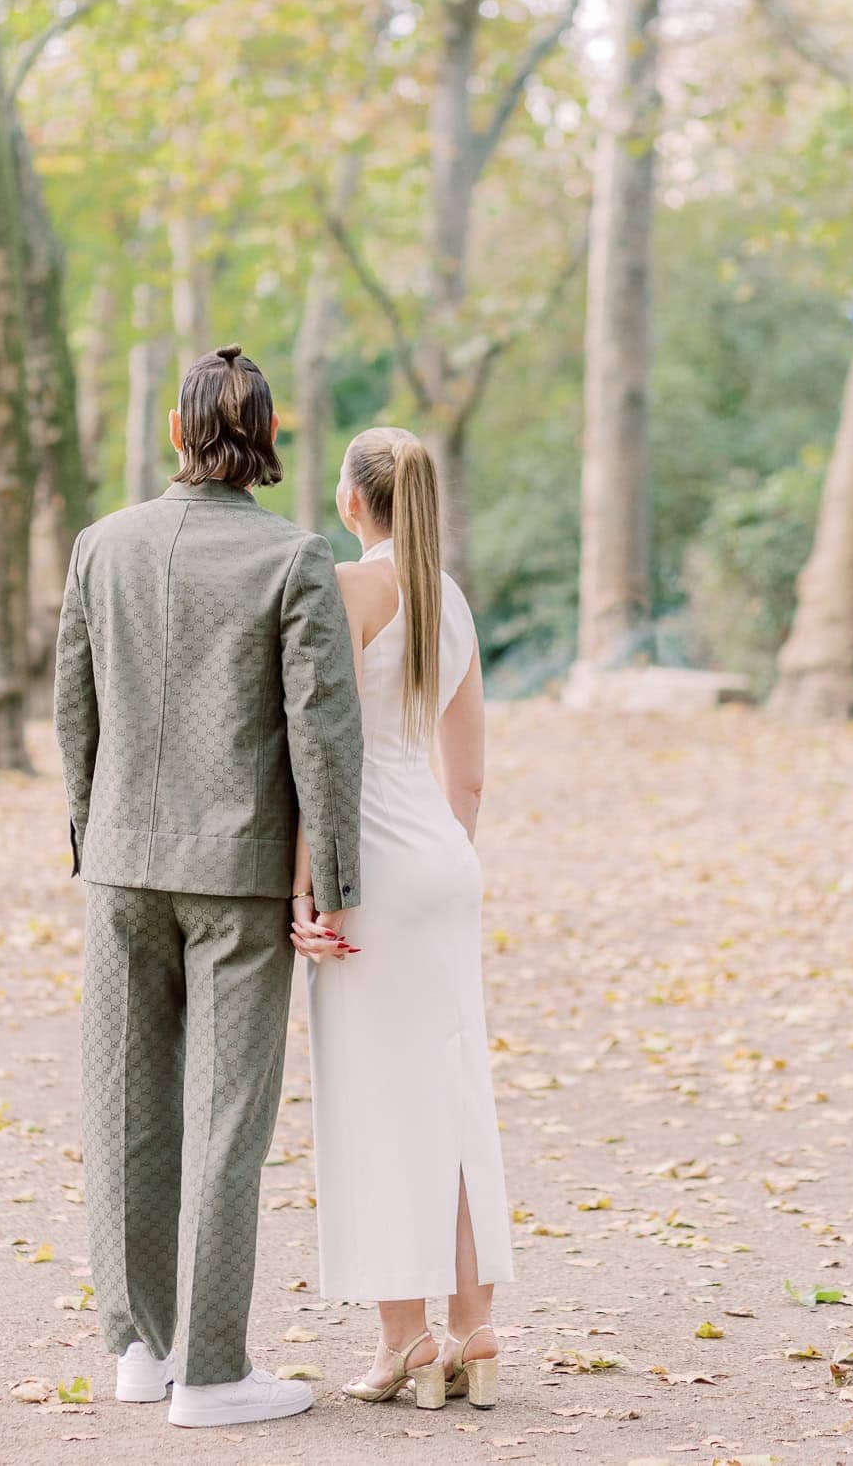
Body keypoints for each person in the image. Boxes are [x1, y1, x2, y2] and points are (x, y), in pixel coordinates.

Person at [53, 345, 363, 1430]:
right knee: (228, 1120)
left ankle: (141, 1347)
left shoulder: (103, 547)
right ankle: (216, 1371)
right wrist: (332, 883)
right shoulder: (295, 560)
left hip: (124, 866)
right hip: (238, 878)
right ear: (266, 440)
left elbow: (73, 713)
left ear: (178, 436)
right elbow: (322, 738)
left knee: (126, 1108)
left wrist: (92, 838)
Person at [294, 426, 514, 1411]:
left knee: (379, 1104)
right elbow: (465, 774)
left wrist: (307, 885)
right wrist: (444, 855)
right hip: (441, 861)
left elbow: (322, 757)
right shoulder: (451, 602)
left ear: (352, 504)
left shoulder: (348, 592)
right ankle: (478, 1332)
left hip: (368, 867)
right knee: (456, 1099)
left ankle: (405, 1343)